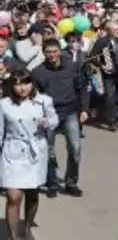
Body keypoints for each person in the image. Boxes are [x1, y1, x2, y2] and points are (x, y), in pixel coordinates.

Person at [0, 70, 59, 240]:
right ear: (12, 86)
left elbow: (54, 121)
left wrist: (46, 122)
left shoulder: (43, 101)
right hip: (13, 152)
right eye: (17, 84)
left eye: (25, 82)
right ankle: (13, 237)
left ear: (32, 83)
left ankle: (26, 227)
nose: (22, 87)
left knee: (32, 194)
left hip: (35, 153)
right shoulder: (4, 104)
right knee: (13, 196)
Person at [32, 38, 89, 198]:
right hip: (48, 115)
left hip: (70, 112)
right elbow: (34, 97)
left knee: (75, 149)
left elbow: (82, 88)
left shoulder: (72, 67)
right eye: (48, 52)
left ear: (59, 51)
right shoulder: (38, 72)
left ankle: (71, 182)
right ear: (44, 53)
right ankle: (51, 183)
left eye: (54, 51)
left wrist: (84, 109)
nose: (52, 55)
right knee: (48, 150)